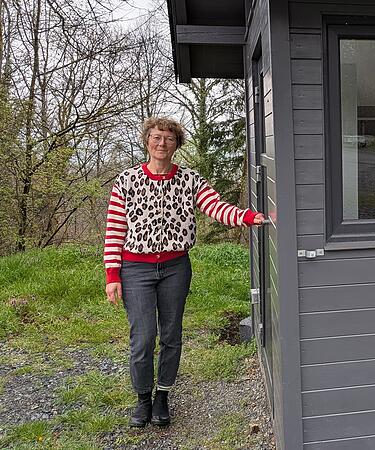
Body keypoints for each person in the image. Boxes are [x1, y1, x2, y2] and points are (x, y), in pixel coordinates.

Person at [103, 117, 264, 428]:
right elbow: (114, 230)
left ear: (177, 144)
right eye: (157, 137)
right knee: (143, 336)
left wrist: (249, 216)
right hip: (136, 268)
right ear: (146, 141)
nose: (162, 143)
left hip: (176, 267)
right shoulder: (126, 181)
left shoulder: (190, 180)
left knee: (172, 333)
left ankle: (163, 395)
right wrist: (113, 275)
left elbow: (216, 208)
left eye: (169, 139)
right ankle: (142, 397)